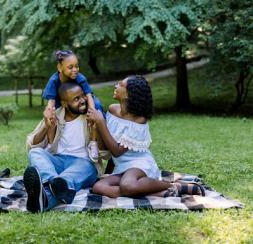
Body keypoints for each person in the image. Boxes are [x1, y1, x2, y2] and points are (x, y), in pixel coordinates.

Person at [86, 75, 205, 198]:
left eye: (120, 84)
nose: (115, 86)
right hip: (122, 168)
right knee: (98, 187)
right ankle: (158, 193)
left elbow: (116, 151)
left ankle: (173, 186)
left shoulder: (138, 120)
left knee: (127, 186)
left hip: (139, 165)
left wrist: (101, 122)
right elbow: (106, 147)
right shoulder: (112, 110)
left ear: (128, 95)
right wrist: (96, 128)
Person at [24, 82, 101, 213]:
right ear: (65, 103)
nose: (82, 101)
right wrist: (46, 126)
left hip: (83, 164)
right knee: (35, 152)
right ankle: (52, 185)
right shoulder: (56, 114)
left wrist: (98, 125)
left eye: (83, 96)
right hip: (58, 162)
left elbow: (105, 153)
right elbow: (32, 143)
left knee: (82, 169)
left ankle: (47, 190)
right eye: (76, 99)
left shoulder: (91, 116)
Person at [43, 50, 104, 161]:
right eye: (70, 67)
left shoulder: (79, 78)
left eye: (77, 66)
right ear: (59, 67)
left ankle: (93, 142)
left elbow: (88, 95)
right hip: (60, 101)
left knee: (96, 107)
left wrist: (91, 111)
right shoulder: (54, 80)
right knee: (50, 116)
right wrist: (49, 112)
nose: (75, 70)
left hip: (82, 98)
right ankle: (51, 144)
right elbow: (51, 101)